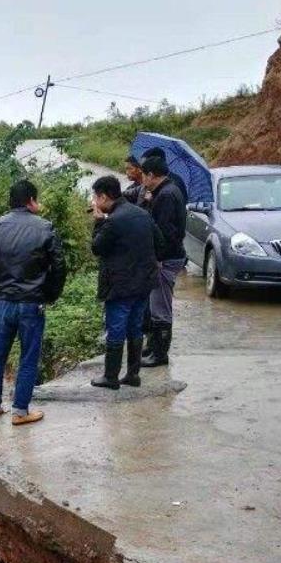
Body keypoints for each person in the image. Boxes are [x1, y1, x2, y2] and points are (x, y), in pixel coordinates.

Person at [0, 179, 65, 425]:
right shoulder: (45, 227)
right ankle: (20, 412)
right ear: (31, 200)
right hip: (32, 303)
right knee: (28, 357)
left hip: (1, 302)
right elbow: (59, 265)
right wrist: (50, 294)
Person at [89, 176, 163, 389]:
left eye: (96, 197)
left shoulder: (112, 221)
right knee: (135, 328)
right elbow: (160, 243)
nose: (95, 201)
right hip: (143, 284)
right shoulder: (142, 214)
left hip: (120, 285)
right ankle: (133, 374)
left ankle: (111, 377)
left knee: (116, 329)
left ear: (104, 196)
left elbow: (97, 248)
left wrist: (98, 222)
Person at [140, 156, 187, 367]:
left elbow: (165, 232)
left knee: (161, 307)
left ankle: (160, 355)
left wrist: (158, 258)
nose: (142, 180)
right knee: (157, 304)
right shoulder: (168, 191)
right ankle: (155, 351)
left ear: (151, 175)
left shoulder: (167, 195)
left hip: (166, 259)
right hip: (169, 255)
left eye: (143, 175)